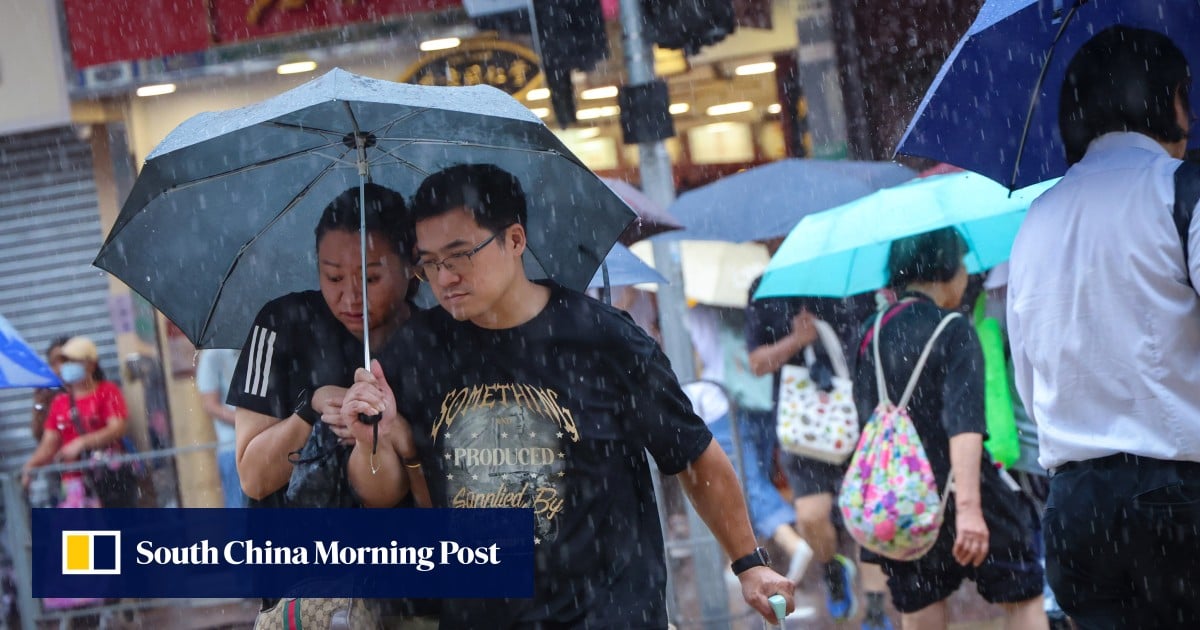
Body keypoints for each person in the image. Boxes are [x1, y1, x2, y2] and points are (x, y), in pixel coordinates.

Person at [342, 163, 795, 628]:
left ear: (515, 240)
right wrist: (368, 439)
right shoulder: (417, 349)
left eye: (460, 255)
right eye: (430, 262)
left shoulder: (603, 338)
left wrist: (748, 562)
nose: (445, 277)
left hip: (608, 611)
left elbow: (692, 455)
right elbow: (383, 491)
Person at [1006, 25, 1200, 629]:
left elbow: (1027, 381)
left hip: (1076, 515)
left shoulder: (1036, 220)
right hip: (1178, 499)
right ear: (1168, 100)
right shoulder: (1180, 190)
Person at [227, 183, 430, 626]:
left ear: (412, 263)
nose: (350, 298)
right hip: (300, 598)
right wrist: (309, 411)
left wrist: (394, 438)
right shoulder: (280, 326)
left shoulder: (435, 341)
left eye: (370, 278)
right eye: (333, 277)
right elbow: (253, 476)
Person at [852, 228, 1047, 630]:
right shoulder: (954, 328)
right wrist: (970, 511)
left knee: (920, 606)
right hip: (966, 490)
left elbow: (868, 424)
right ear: (949, 269)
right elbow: (965, 425)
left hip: (904, 499)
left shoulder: (870, 333)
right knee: (1022, 596)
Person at [745, 256, 884, 623]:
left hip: (857, 416)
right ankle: (832, 568)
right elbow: (757, 363)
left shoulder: (850, 278)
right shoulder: (765, 291)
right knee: (810, 517)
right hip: (801, 427)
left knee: (869, 516)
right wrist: (797, 340)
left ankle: (876, 607)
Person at [21, 336, 134, 508]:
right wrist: (30, 466)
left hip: (109, 478)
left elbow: (118, 428)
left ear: (91, 364)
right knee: (78, 534)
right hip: (74, 487)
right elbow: (48, 446)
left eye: (73, 361)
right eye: (64, 361)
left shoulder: (107, 391)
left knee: (114, 531)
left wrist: (81, 443)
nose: (66, 366)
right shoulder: (60, 403)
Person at [195, 348, 243, 508]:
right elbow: (210, 405)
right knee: (239, 510)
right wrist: (246, 422)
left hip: (267, 439)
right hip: (233, 445)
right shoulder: (213, 355)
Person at [29, 336, 68, 442]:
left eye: (64, 361)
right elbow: (38, 435)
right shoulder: (52, 396)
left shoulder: (96, 390)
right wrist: (40, 402)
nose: (59, 368)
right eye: (53, 363)